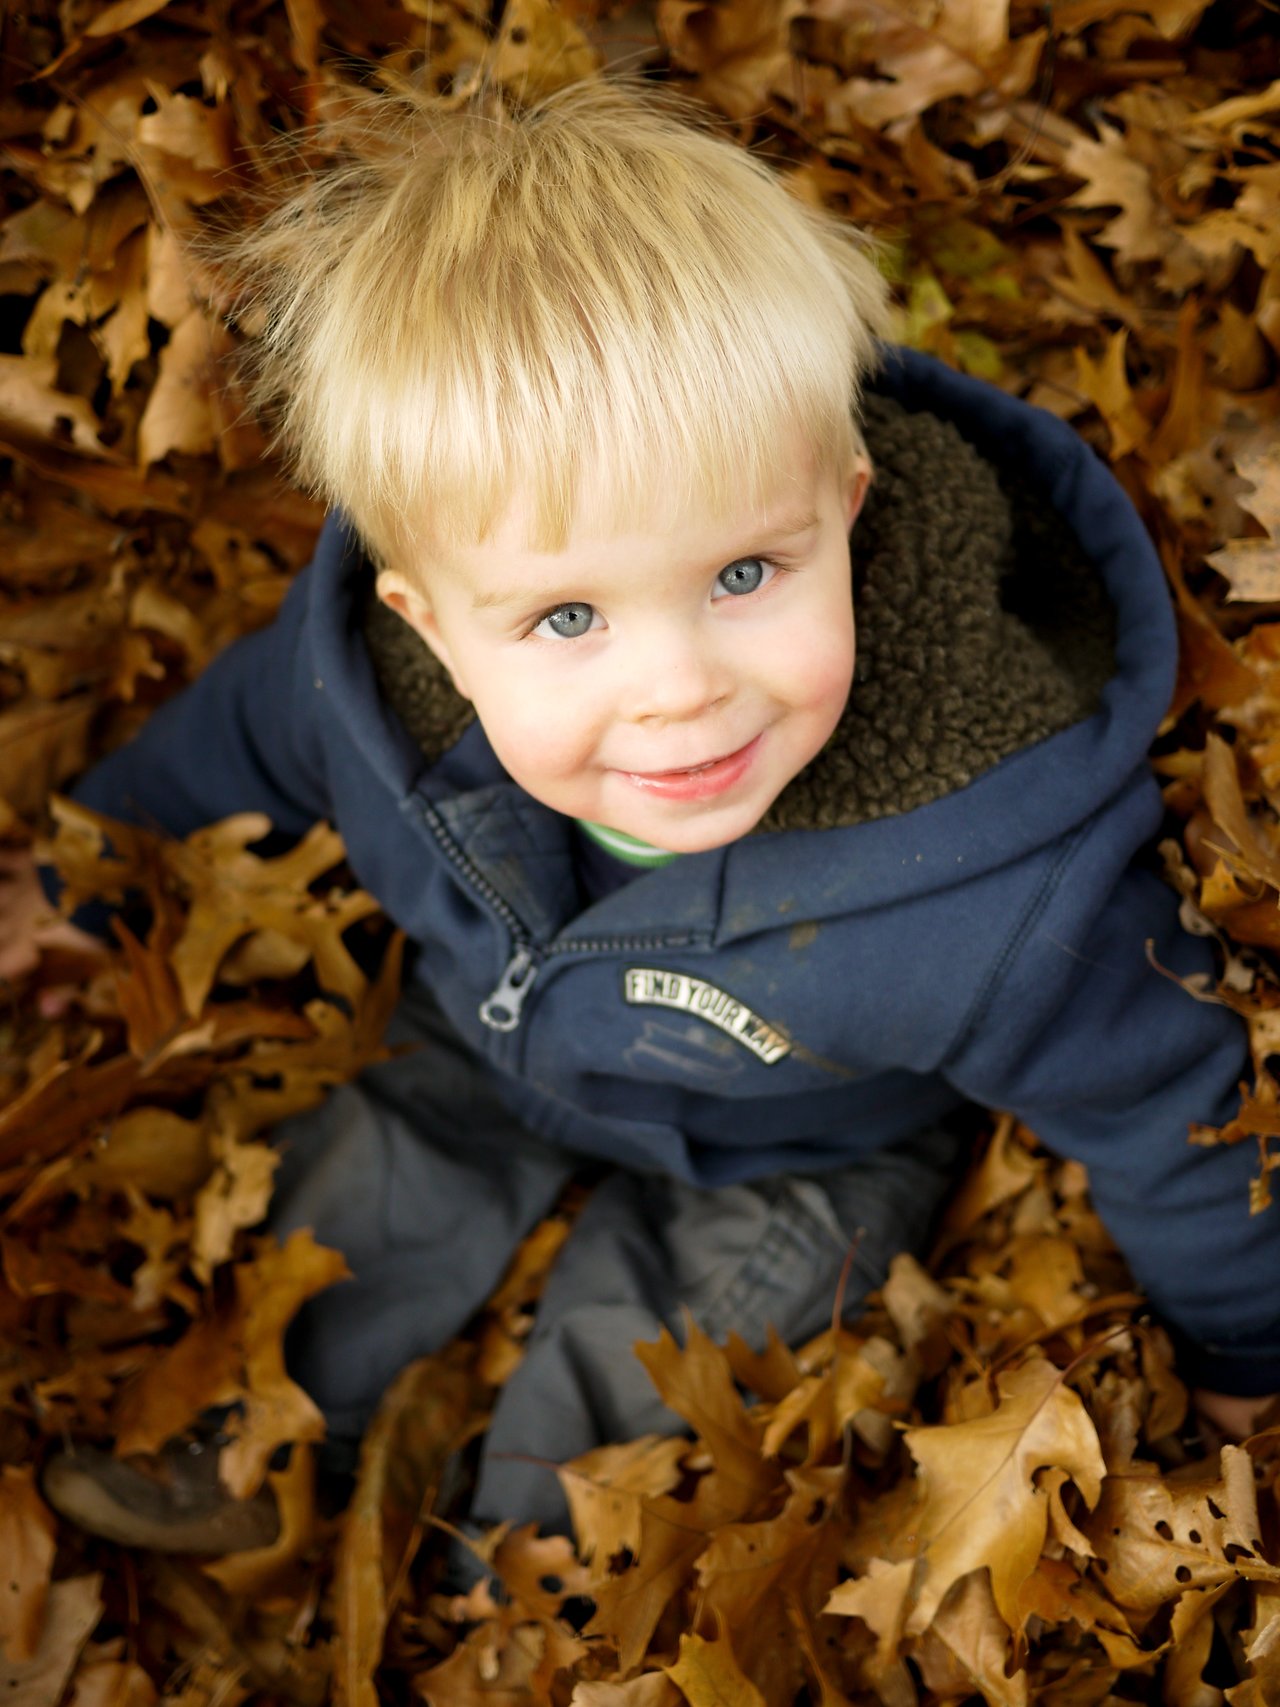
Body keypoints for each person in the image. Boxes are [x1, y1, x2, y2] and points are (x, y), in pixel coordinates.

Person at [3, 72, 1275, 1555]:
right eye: (565, 619)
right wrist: (89, 875)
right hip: (485, 1037)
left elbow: (1167, 1102)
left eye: (746, 576)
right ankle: (244, 1449)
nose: (682, 691)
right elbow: (232, 746)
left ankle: (527, 1583)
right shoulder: (365, 690)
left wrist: (1249, 1352)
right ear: (427, 621)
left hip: (802, 1133)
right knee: (371, 1185)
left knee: (645, 1356)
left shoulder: (990, 878)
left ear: (847, 508)